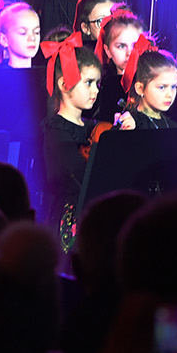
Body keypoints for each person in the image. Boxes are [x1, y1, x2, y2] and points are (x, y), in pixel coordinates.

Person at [42, 41, 102, 243]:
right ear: (64, 85)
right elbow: (81, 172)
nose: (95, 90)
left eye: (97, 84)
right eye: (88, 83)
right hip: (68, 216)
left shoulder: (92, 127)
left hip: (92, 208)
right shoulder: (55, 131)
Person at [120, 48, 177, 130]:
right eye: (162, 87)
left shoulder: (174, 127)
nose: (170, 94)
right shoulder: (129, 123)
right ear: (140, 89)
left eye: (173, 87)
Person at [0, 0, 41, 69]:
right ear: (4, 39)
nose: (32, 38)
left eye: (36, 32)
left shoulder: (47, 73)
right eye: (23, 33)